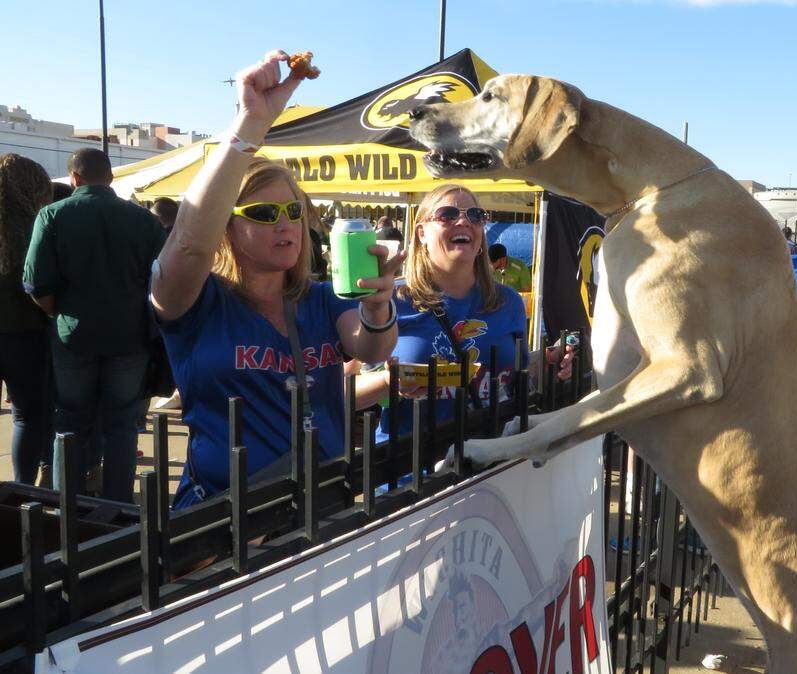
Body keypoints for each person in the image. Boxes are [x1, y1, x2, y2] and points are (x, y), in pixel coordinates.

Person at [150, 51, 402, 508]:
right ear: (226, 226)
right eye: (265, 214)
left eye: (293, 212)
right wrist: (249, 128)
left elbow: (371, 348)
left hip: (320, 511)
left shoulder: (323, 299)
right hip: (224, 522)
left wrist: (377, 307)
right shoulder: (196, 302)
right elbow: (188, 243)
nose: (286, 225)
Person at [355, 185, 571, 450]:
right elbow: (344, 392)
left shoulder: (508, 302)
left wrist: (550, 363)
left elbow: (517, 380)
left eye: (475, 215)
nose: (463, 221)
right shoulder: (391, 300)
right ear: (421, 232)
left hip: (486, 460)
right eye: (447, 214)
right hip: (409, 469)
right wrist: (388, 382)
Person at [23, 148, 164, 503]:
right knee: (122, 424)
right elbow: (162, 280)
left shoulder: (52, 215)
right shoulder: (144, 220)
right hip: (129, 336)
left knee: (69, 424)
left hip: (74, 335)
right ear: (111, 179)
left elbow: (36, 283)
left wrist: (59, 312)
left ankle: (64, 506)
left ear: (74, 179)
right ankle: (118, 506)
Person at [0, 154, 54, 486]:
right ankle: (21, 490)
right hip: (26, 333)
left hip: (22, 332)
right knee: (28, 416)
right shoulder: (38, 226)